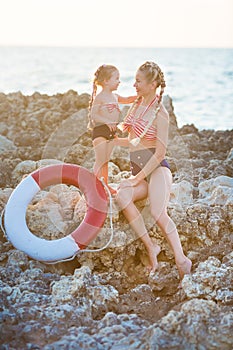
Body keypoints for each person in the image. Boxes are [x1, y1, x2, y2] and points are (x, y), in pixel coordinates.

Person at [116, 61, 192, 280]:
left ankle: (182, 260)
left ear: (153, 84)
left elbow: (159, 153)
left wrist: (136, 178)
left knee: (158, 213)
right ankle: (151, 247)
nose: (134, 85)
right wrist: (108, 141)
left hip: (157, 170)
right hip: (139, 171)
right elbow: (131, 142)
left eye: (138, 81)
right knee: (123, 196)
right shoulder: (137, 105)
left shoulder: (161, 114)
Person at [88, 64, 136, 194]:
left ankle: (105, 185)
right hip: (100, 132)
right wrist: (107, 121)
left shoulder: (115, 96)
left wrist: (142, 96)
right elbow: (93, 114)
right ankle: (95, 186)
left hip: (111, 133)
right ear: (106, 81)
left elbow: (127, 99)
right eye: (117, 78)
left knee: (106, 161)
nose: (119, 81)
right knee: (100, 160)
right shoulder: (100, 97)